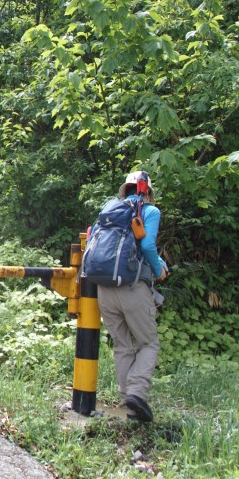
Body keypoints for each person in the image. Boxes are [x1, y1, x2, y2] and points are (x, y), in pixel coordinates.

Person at [96, 169, 168, 423]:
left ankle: (129, 401)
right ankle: (137, 393)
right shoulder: (149, 211)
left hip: (104, 288)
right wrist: (159, 270)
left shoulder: (110, 210)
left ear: (124, 189)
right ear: (147, 190)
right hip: (132, 288)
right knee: (149, 343)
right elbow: (146, 245)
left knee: (123, 345)